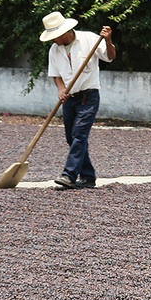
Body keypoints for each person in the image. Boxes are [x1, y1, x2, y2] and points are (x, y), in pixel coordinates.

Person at [39, 11, 115, 189]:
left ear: (64, 32)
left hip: (88, 97)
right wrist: (61, 89)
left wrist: (108, 41)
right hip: (69, 99)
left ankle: (69, 175)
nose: (52, 40)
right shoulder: (54, 50)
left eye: (54, 36)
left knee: (79, 135)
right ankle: (88, 177)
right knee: (71, 138)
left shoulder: (89, 39)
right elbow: (56, 75)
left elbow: (110, 57)